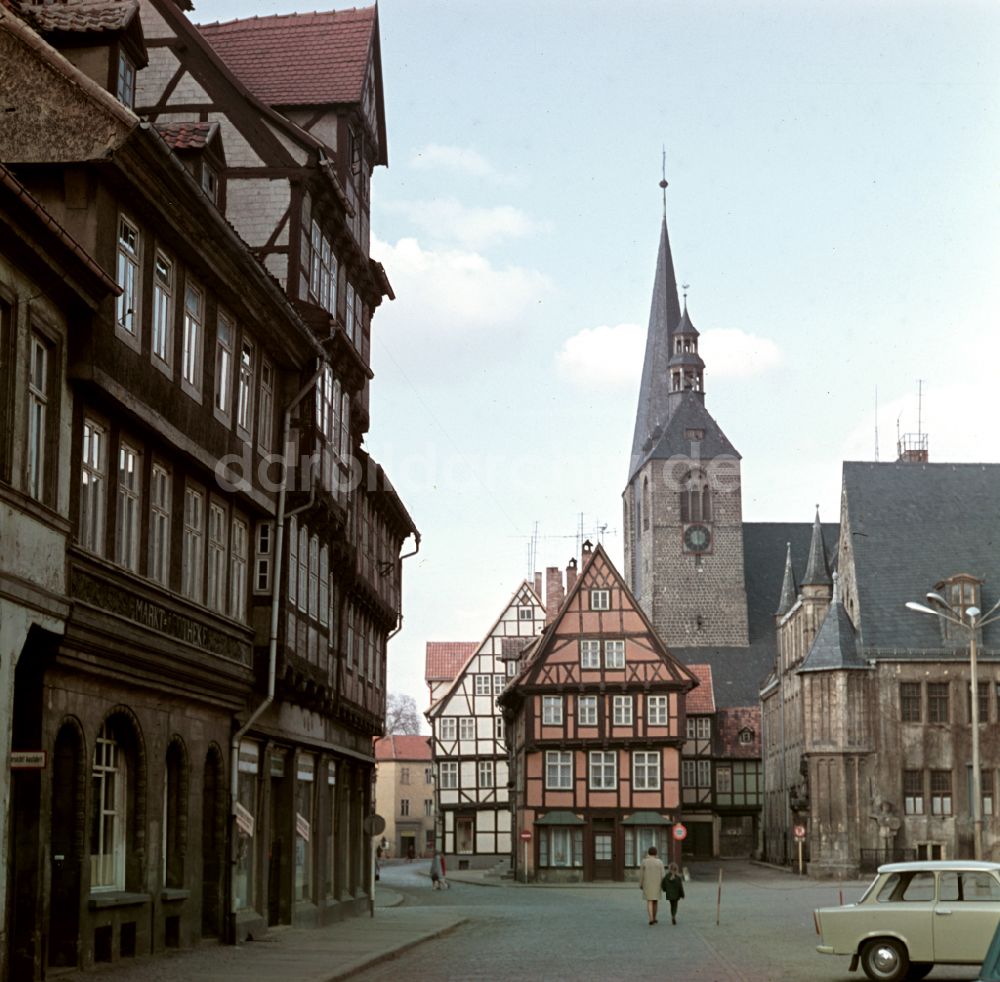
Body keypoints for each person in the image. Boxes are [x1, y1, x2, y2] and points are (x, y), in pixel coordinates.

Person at [638, 846, 665, 925]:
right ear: (656, 853)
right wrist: (663, 885)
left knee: (649, 901)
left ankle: (650, 918)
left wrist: (640, 884)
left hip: (647, 884)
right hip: (657, 884)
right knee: (655, 901)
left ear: (648, 853)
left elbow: (641, 875)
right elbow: (663, 875)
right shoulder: (660, 862)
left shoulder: (644, 862)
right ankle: (655, 917)